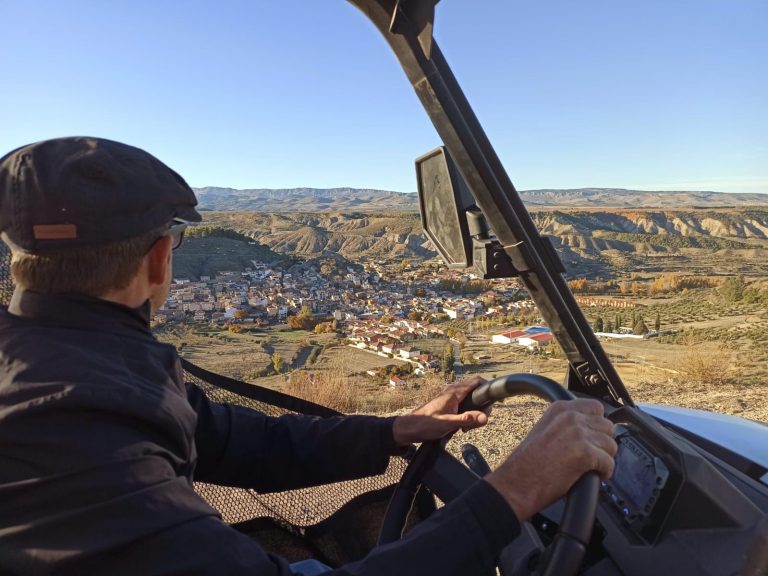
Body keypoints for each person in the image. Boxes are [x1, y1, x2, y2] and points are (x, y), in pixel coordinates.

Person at [0, 137, 617, 576]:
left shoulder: (71, 362)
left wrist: (394, 429)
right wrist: (514, 491)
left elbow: (241, 442)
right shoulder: (67, 428)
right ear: (161, 258)